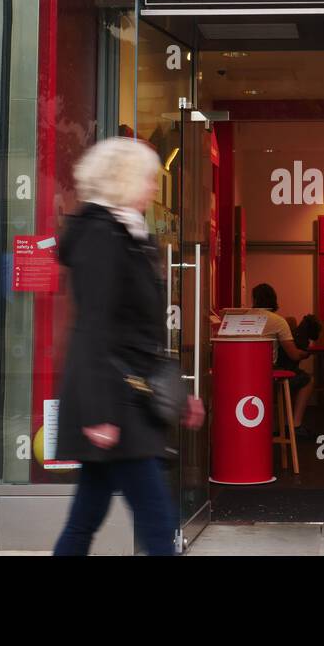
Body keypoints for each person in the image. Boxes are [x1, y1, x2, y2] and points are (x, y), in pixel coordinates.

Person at [53, 137, 205, 557]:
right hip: (115, 404)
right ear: (123, 180)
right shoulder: (102, 236)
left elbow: (139, 331)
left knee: (86, 518)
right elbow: (94, 327)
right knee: (158, 523)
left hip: (129, 399)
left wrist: (178, 396)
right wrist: (100, 413)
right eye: (149, 179)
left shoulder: (131, 235)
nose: (155, 188)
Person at [250, 283, 314, 437]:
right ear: (273, 299)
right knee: (307, 380)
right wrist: (306, 353)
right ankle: (294, 424)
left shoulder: (244, 317)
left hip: (246, 373)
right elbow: (293, 354)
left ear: (255, 299)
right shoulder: (278, 321)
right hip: (268, 373)